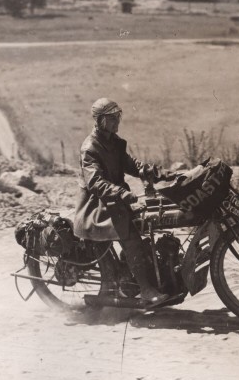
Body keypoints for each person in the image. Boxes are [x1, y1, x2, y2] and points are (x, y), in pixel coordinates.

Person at [73, 98, 172, 308]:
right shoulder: (90, 148)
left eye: (118, 116)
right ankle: (146, 290)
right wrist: (121, 193)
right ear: (100, 120)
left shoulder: (114, 142)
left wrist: (152, 172)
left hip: (115, 198)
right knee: (130, 236)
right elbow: (95, 183)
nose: (117, 121)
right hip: (97, 203)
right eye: (112, 118)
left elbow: (131, 165)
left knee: (150, 220)